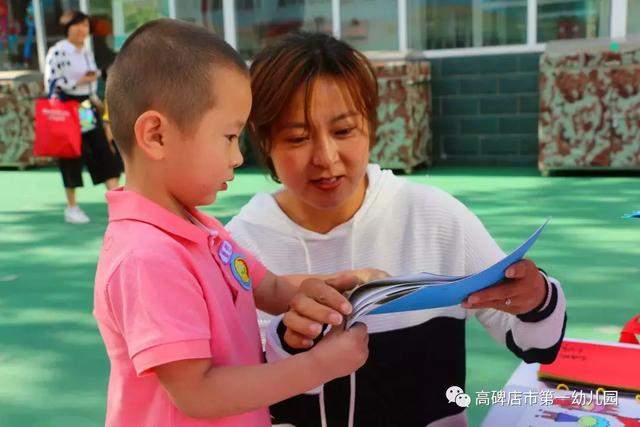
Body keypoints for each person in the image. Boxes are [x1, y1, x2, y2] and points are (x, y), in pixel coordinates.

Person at [226, 32, 568, 426]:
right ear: (264, 141)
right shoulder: (240, 247)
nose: (325, 157)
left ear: (370, 126)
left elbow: (538, 344)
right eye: (298, 137)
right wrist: (289, 343)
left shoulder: (434, 217)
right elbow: (233, 394)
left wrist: (537, 297)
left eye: (343, 131)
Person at [93, 20, 383, 427]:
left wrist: (342, 285)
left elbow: (269, 288)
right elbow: (198, 392)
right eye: (229, 137)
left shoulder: (199, 226)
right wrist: (318, 366)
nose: (238, 158)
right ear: (156, 136)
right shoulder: (147, 257)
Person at [44, 10, 122, 224]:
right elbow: (51, 82)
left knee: (101, 148)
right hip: (66, 107)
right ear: (67, 28)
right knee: (70, 155)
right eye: (77, 25)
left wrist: (94, 96)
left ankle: (116, 203)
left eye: (86, 26)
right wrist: (78, 82)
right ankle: (72, 207)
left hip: (85, 106)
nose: (82, 30)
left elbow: (89, 81)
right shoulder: (58, 51)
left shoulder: (86, 51)